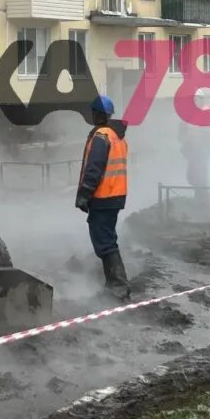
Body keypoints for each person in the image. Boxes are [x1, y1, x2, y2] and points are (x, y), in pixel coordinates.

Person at [75, 94, 131, 301]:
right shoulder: (118, 136)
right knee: (107, 237)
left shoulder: (102, 136)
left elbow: (94, 169)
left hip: (103, 196)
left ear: (97, 114)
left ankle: (118, 286)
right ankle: (114, 283)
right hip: (115, 195)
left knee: (104, 241)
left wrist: (84, 195)